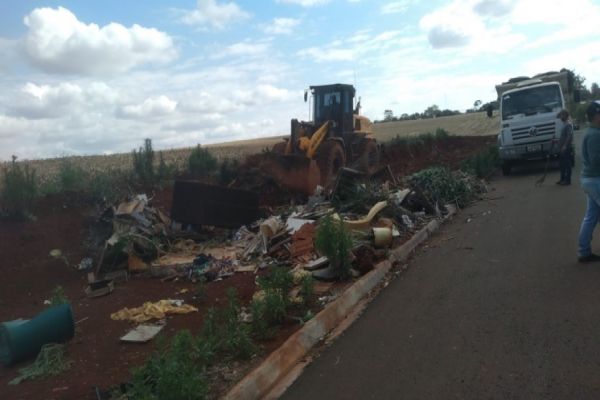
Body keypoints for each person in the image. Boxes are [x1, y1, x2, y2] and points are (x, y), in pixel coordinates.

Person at [577, 101, 600, 262]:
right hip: (595, 179)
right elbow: (595, 160)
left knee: (591, 216)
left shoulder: (591, 132)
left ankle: (584, 251)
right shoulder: (595, 135)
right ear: (596, 116)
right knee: (591, 216)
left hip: (589, 180)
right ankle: (583, 250)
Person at [556, 109, 574, 185]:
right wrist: (556, 141)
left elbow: (569, 136)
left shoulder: (568, 124)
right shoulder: (564, 124)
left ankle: (567, 180)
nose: (560, 117)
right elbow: (563, 137)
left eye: (562, 115)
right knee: (562, 165)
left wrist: (565, 146)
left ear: (565, 115)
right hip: (562, 148)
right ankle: (562, 179)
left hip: (566, 148)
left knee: (567, 165)